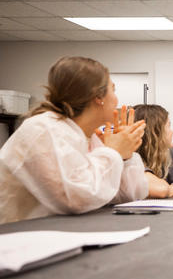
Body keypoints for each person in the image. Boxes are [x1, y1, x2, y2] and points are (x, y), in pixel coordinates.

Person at [0, 56, 148, 224]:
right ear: (98, 96)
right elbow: (78, 199)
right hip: (14, 237)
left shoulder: (88, 137)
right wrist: (113, 152)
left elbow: (130, 196)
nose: (116, 100)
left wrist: (125, 156)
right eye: (113, 90)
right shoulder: (43, 129)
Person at [133, 104, 173, 198]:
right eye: (168, 126)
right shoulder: (134, 161)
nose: (172, 132)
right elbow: (162, 190)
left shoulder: (160, 162)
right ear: (155, 132)